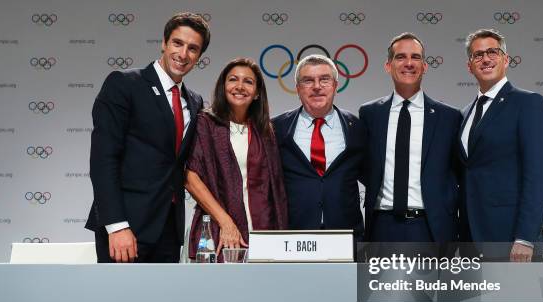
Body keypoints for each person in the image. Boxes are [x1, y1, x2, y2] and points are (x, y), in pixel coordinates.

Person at [86, 12, 210, 263]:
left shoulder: (194, 101)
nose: (183, 54)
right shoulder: (124, 84)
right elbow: (103, 159)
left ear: (199, 57)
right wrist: (117, 225)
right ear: (163, 43)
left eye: (192, 48)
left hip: (168, 230)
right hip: (127, 227)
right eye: (177, 43)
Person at [458, 28, 543, 262]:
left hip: (512, 240)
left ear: (506, 60)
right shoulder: (465, 113)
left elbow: (538, 175)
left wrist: (525, 238)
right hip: (472, 239)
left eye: (492, 52)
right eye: (477, 55)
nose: (485, 59)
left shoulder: (527, 103)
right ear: (469, 66)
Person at [359, 33, 461, 244]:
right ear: (388, 65)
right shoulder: (370, 114)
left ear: (425, 66)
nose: (408, 63)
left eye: (415, 57)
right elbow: (363, 167)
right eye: (400, 57)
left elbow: (458, 172)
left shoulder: (448, 117)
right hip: (381, 227)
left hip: (431, 229)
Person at [185, 58, 288, 260]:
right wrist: (226, 222)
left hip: (264, 230)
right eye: (233, 80)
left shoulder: (266, 131)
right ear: (223, 87)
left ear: (257, 93)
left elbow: (274, 189)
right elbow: (190, 177)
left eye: (248, 82)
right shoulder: (205, 124)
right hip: (219, 229)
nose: (240, 86)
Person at [272, 55, 366, 241]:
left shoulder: (357, 126)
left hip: (347, 237)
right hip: (292, 237)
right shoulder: (276, 128)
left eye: (324, 79)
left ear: (335, 86)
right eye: (308, 81)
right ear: (298, 89)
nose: (317, 86)